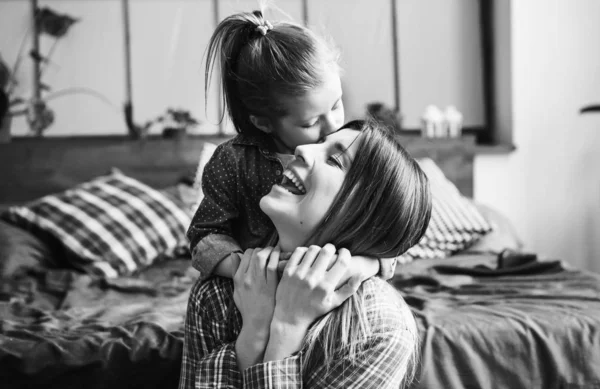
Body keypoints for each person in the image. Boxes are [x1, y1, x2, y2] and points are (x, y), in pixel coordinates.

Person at [179, 120, 432, 388]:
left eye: (334, 160)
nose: (302, 149)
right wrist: (254, 330)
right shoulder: (214, 296)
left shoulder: (378, 327)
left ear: (367, 213)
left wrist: (285, 329)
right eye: (318, 142)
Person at [186, 9, 399, 287]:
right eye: (310, 122)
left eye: (336, 105)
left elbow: (389, 228)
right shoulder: (233, 162)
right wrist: (254, 271)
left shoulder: (351, 148)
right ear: (264, 123)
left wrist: (362, 264)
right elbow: (204, 236)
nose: (333, 126)